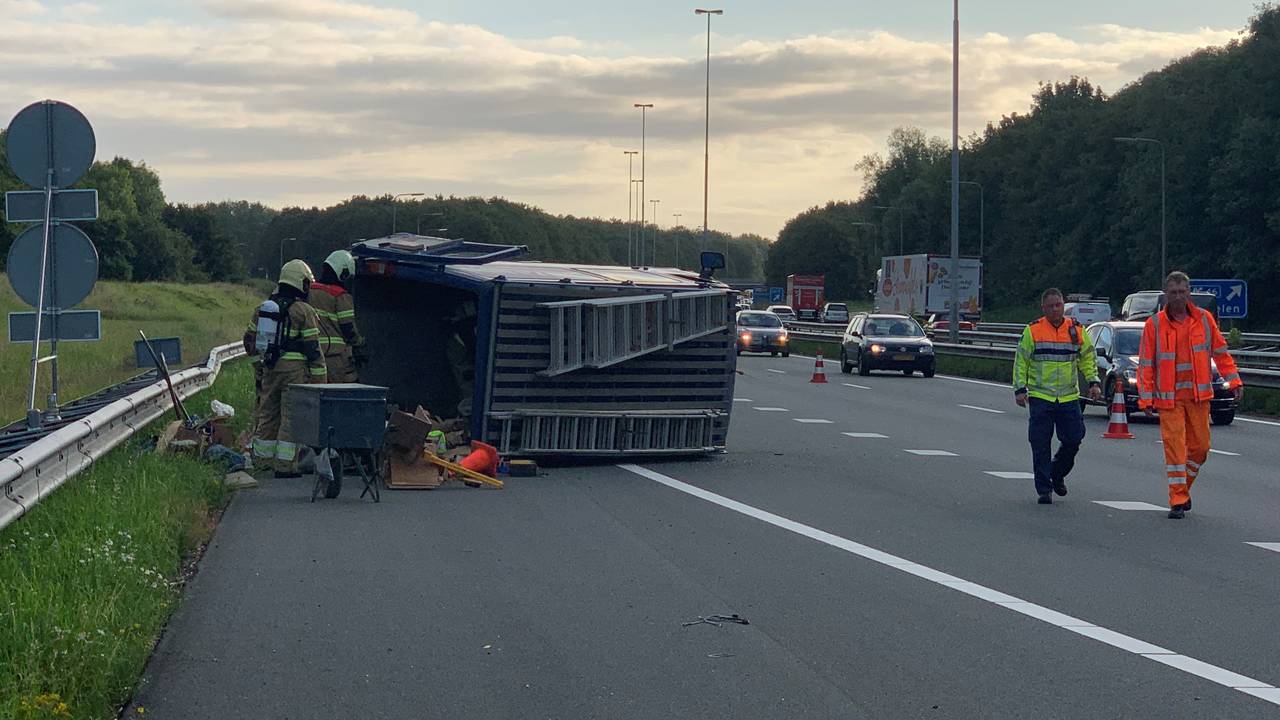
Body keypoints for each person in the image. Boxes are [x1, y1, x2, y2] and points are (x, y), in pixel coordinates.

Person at [1137, 271, 1243, 519]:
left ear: (1188, 293)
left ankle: (1182, 488)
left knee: (1201, 448)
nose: (1177, 297)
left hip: (1198, 396)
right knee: (1175, 450)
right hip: (1169, 398)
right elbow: (1146, 364)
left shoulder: (1204, 320)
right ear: (1165, 295)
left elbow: (1221, 354)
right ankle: (1177, 499)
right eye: (1173, 292)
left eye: (1182, 292)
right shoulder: (1154, 325)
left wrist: (1234, 380)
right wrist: (1146, 397)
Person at [1013, 288, 1103, 504]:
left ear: (1064, 305)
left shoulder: (1075, 329)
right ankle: (1044, 489)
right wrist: (1019, 389)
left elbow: (1088, 357)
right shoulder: (1033, 331)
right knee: (1040, 443)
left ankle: (1057, 472)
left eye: (1059, 305)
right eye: (1051, 306)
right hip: (1041, 396)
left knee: (1074, 439)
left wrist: (1093, 381)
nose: (1055, 309)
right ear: (1043, 308)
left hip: (1068, 397)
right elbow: (1021, 361)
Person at [243, 259, 328, 477]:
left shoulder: (262, 309)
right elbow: (313, 350)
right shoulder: (303, 311)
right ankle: (284, 466)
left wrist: (258, 370)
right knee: (290, 416)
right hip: (294, 371)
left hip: (270, 368)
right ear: (301, 283)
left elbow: (250, 342)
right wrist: (321, 383)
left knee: (268, 414)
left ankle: (262, 461)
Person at [308, 249, 367, 383]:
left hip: (310, 355)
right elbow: (348, 328)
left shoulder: (308, 291)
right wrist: (360, 343)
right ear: (343, 273)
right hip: (333, 357)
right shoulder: (340, 296)